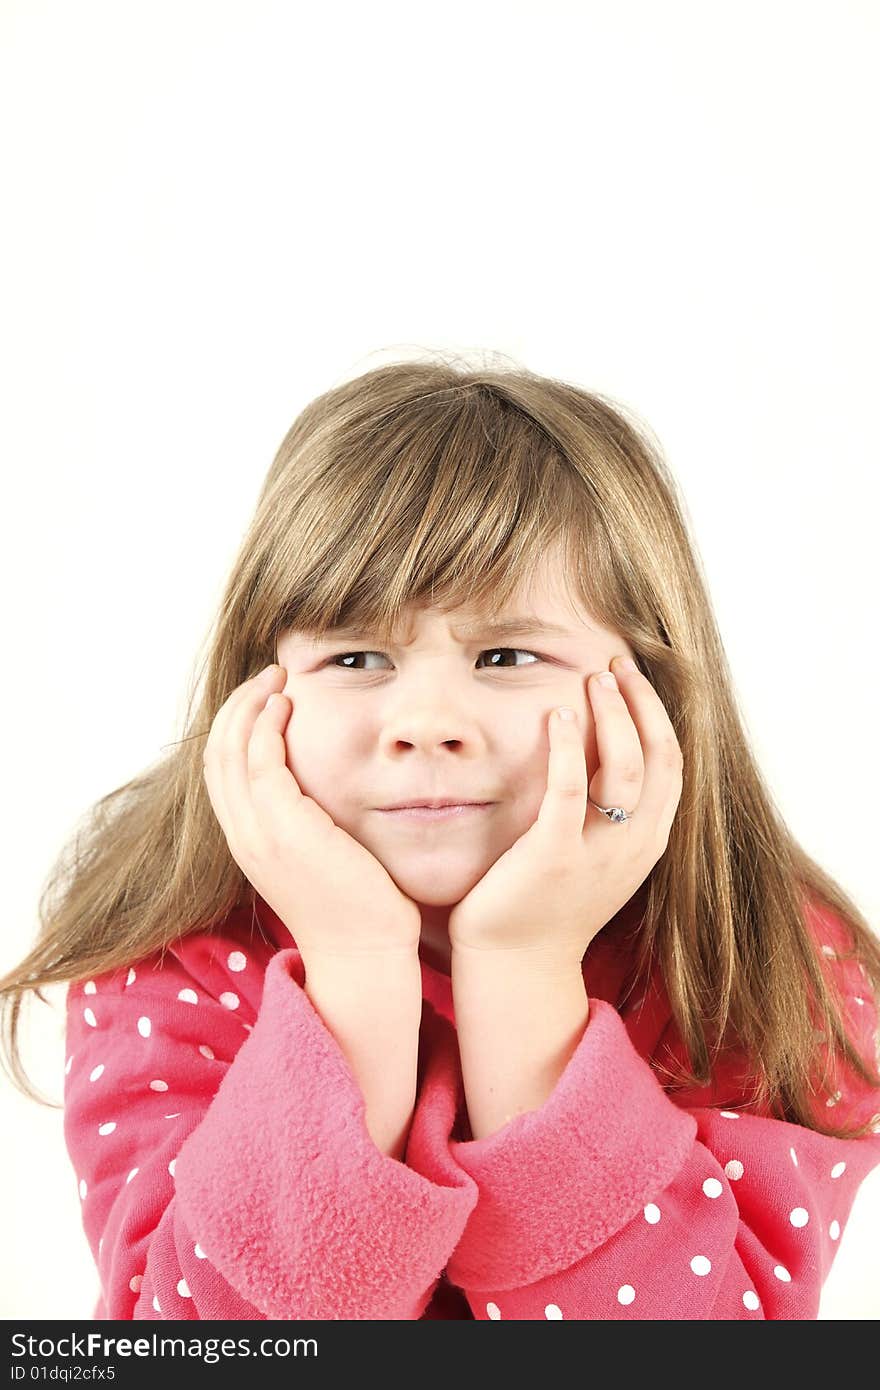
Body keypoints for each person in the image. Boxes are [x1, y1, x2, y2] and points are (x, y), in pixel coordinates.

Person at [3, 356, 879, 1321]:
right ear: (258, 699)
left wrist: (524, 966)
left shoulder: (764, 961)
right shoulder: (168, 958)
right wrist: (354, 972)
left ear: (652, 696)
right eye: (356, 655)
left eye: (505, 655)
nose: (425, 720)